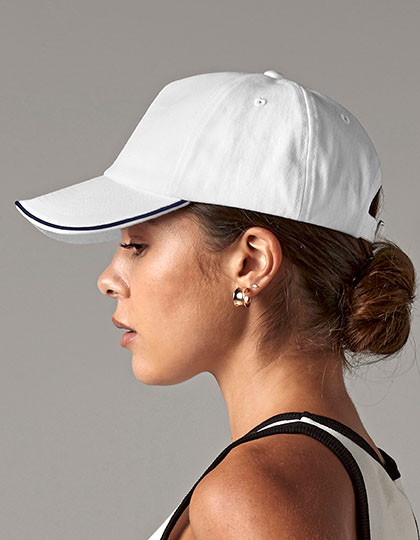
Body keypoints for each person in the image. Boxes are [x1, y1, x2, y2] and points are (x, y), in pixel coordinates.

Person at [14, 69, 419, 539]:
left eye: (137, 246)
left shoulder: (256, 492)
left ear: (250, 262)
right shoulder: (357, 476)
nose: (108, 280)